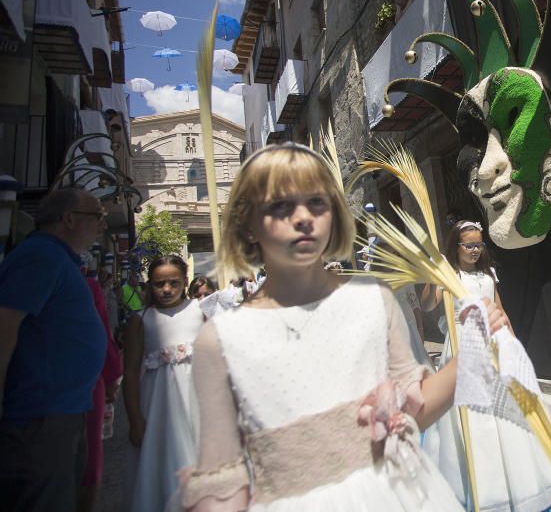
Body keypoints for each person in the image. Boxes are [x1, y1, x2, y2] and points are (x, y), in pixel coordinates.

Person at [179, 143, 510, 510]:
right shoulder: (220, 341)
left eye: (316, 203)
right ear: (248, 223)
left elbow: (416, 411)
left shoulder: (373, 301)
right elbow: (221, 488)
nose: (303, 217)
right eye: (280, 206)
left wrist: (473, 351)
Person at [423, 219, 551, 512]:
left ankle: (511, 474)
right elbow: (427, 306)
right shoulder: (449, 275)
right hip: (462, 347)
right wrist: (432, 274)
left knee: (503, 410)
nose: (474, 250)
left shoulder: (488, 274)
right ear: (456, 247)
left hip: (492, 346)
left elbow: (500, 310)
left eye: (478, 244)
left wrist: (514, 344)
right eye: (468, 245)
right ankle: (476, 479)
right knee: (472, 414)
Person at [0, 188, 108, 511]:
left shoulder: (60, 259)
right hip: (38, 417)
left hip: (62, 413)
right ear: (69, 218)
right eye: (97, 217)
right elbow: (4, 329)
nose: (102, 225)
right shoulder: (40, 255)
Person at [122, 255, 203, 511]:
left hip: (196, 404)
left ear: (185, 282)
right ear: (149, 285)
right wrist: (135, 419)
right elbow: (131, 371)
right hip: (156, 406)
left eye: (173, 283)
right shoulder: (141, 319)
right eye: (159, 284)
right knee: (160, 463)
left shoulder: (201, 311)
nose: (166, 289)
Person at [79, 272, 123, 512]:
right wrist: (111, 376)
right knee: (88, 463)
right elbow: (103, 334)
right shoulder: (88, 285)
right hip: (85, 385)